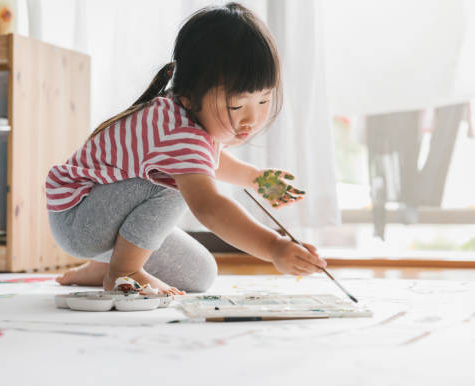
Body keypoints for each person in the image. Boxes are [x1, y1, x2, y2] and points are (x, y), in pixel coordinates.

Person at [47, 2, 327, 295]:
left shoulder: (188, 123)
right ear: (191, 97)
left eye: (264, 100)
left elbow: (207, 161)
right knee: (173, 183)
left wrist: (254, 178)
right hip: (78, 219)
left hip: (103, 216)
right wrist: (274, 247)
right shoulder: (175, 131)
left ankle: (107, 265)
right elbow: (209, 207)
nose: (252, 119)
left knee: (199, 274)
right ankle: (123, 271)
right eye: (237, 104)